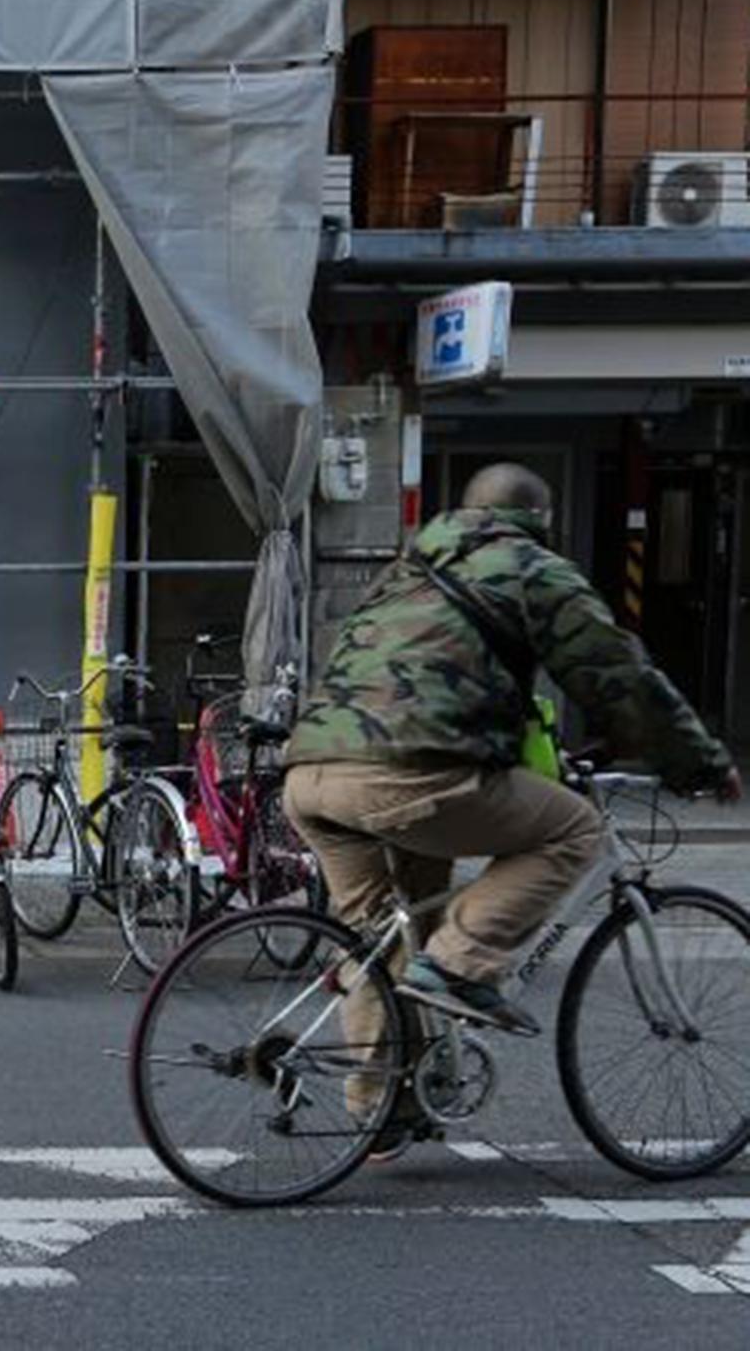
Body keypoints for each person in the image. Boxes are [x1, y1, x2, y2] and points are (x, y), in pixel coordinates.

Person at [283, 463, 741, 1154]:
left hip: (313, 776)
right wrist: (699, 762)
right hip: (412, 773)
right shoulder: (530, 568)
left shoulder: (408, 569)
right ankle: (463, 965)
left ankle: (381, 1106)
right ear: (539, 520)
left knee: (383, 937)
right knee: (573, 829)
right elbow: (616, 674)